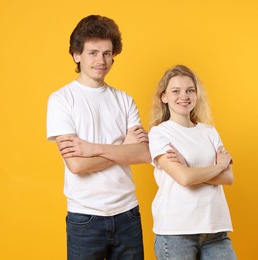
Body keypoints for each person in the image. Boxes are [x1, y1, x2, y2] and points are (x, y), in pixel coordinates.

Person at [46, 15, 150, 260]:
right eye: (93, 53)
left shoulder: (124, 100)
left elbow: (143, 154)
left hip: (128, 214)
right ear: (76, 55)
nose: (101, 61)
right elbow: (77, 165)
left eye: (107, 53)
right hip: (85, 218)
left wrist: (91, 148)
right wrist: (123, 149)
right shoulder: (62, 100)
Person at [148, 65, 236, 259]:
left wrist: (188, 169)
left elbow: (228, 178)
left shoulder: (209, 132)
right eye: (176, 91)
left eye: (190, 90)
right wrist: (218, 166)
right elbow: (184, 178)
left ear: (196, 95)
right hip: (176, 232)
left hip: (215, 230)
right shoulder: (159, 133)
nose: (184, 96)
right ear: (164, 97)